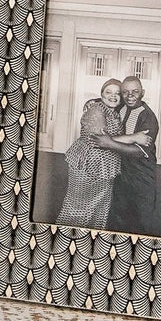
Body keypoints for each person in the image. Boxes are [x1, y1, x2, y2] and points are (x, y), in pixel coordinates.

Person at [57, 79, 126, 230]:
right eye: (108, 92)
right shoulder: (96, 109)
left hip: (107, 167)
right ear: (101, 94)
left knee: (100, 208)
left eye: (117, 93)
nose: (113, 96)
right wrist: (135, 138)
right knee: (78, 206)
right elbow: (101, 139)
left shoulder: (115, 111)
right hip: (87, 164)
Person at [104, 76, 160, 234]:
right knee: (118, 216)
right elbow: (107, 98)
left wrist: (108, 143)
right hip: (121, 171)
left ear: (142, 93)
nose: (129, 96)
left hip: (141, 173)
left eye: (134, 92)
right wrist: (92, 102)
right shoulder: (121, 105)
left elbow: (138, 151)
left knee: (141, 220)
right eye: (125, 92)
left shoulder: (148, 118)